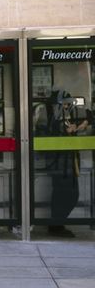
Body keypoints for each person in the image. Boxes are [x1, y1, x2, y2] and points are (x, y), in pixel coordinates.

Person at [45, 88, 92, 237]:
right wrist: (67, 131)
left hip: (68, 161)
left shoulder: (65, 116)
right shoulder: (50, 117)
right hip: (60, 162)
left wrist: (82, 125)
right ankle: (56, 225)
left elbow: (88, 115)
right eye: (64, 104)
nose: (67, 107)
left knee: (67, 193)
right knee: (65, 194)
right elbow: (48, 132)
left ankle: (57, 224)